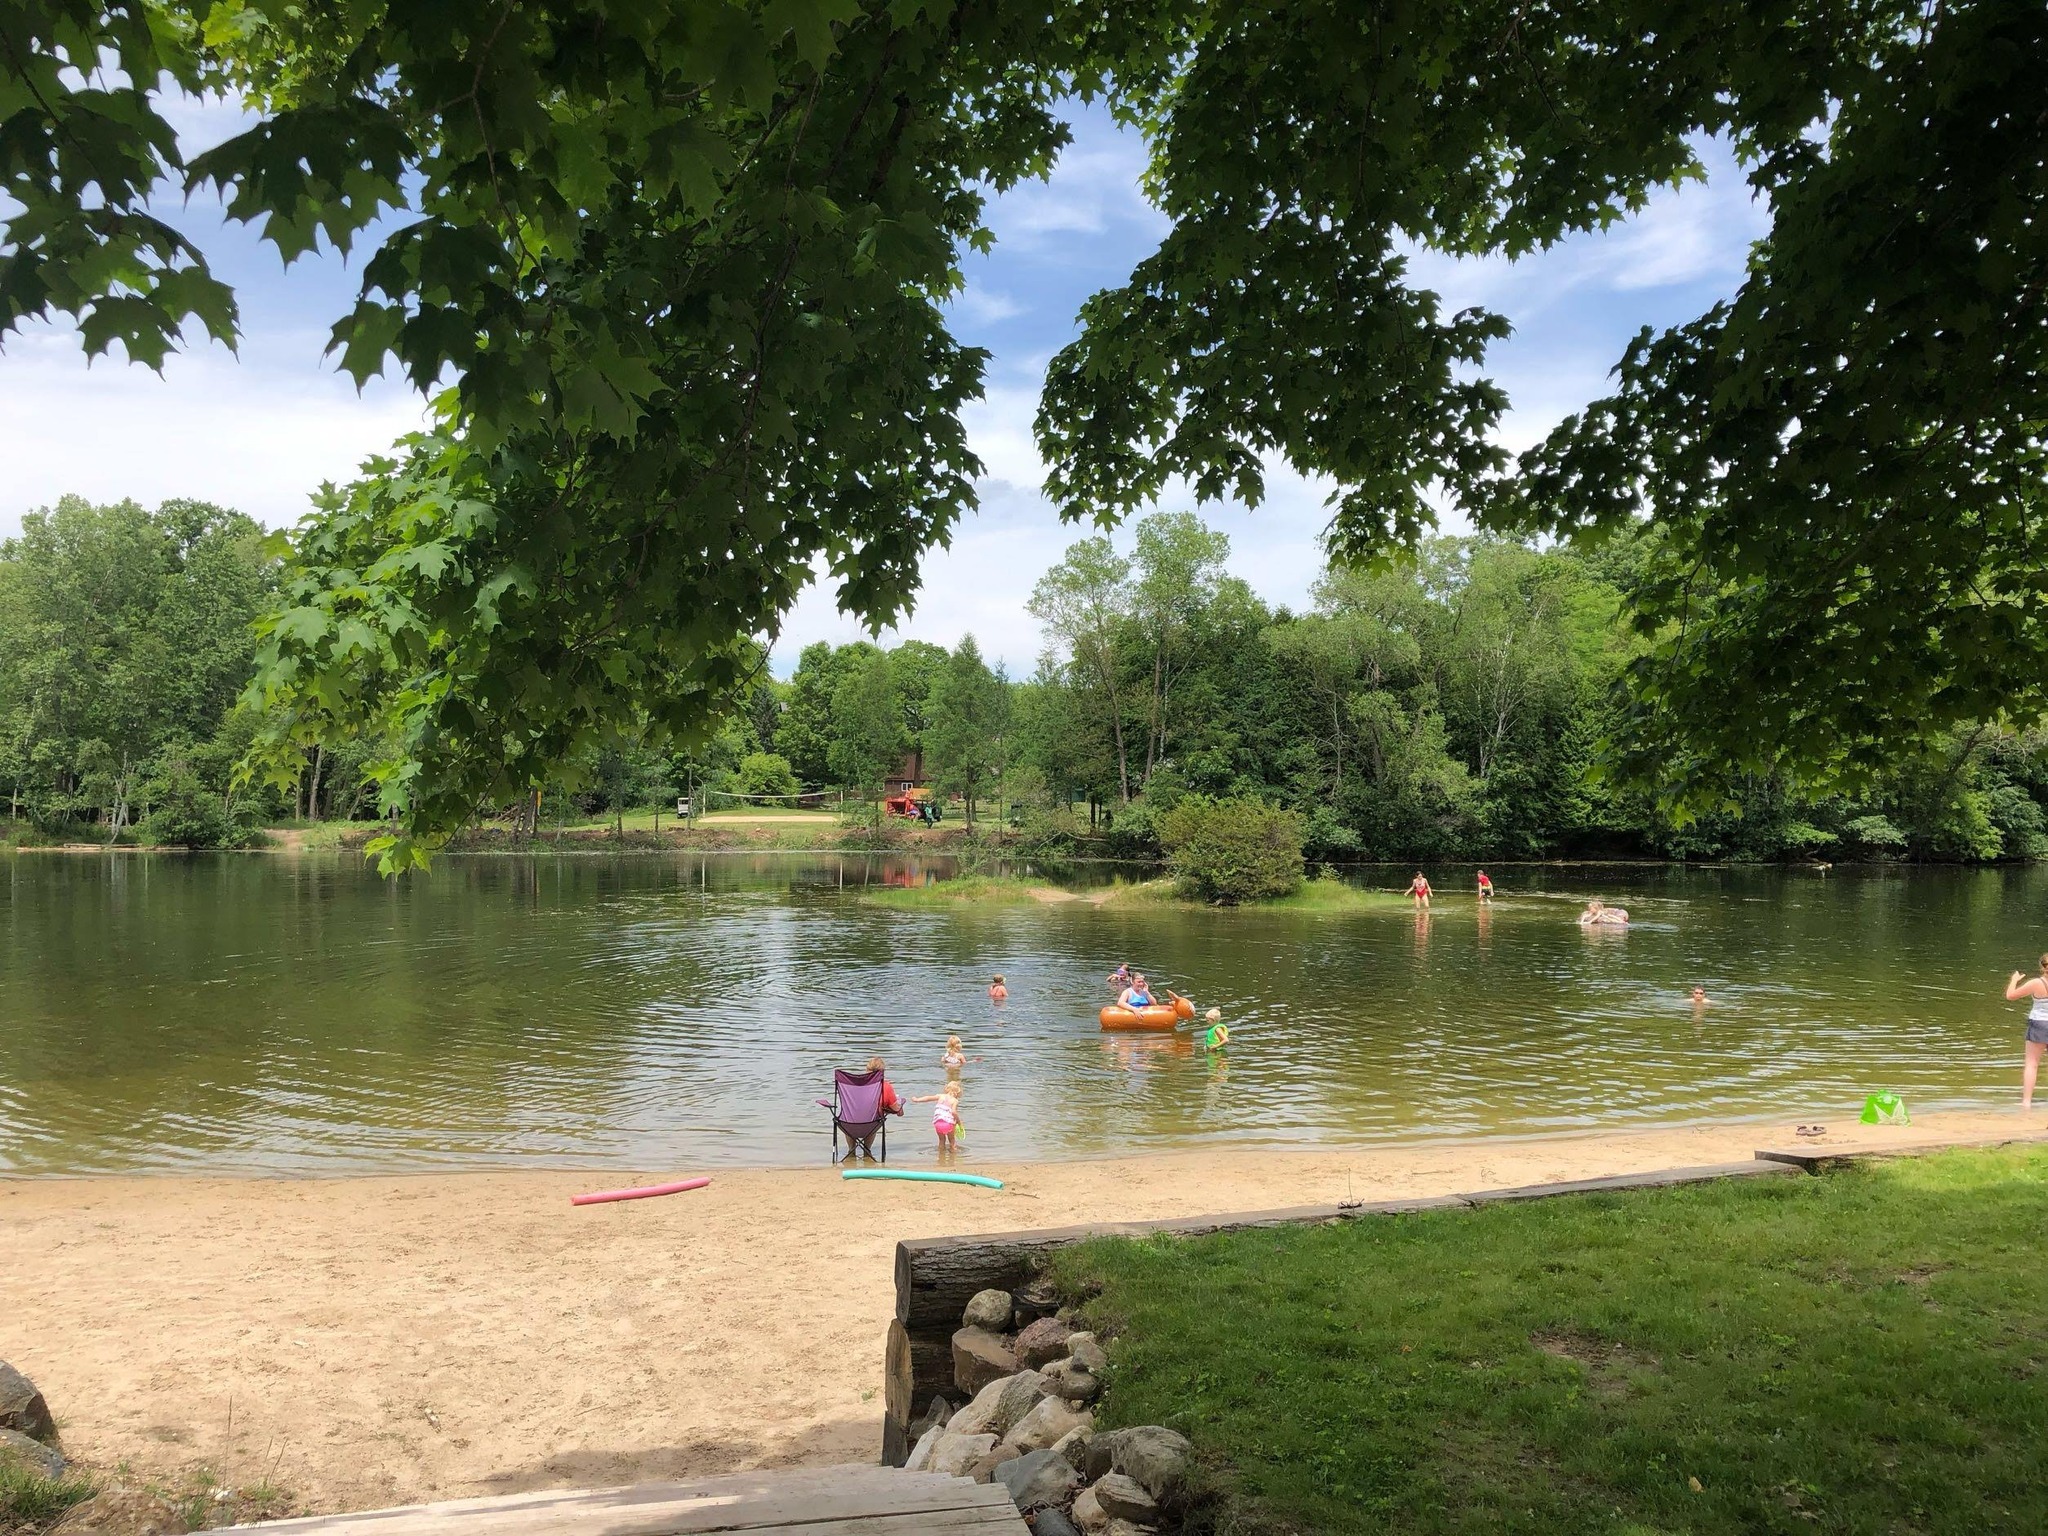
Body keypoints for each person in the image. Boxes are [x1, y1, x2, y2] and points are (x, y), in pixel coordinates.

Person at [2003, 956, 2048, 1110]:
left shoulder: (2037, 983)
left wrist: (2014, 980)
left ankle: (2026, 1103)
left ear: (2042, 967)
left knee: (2032, 1064)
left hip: (2039, 1025)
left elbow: (2010, 996)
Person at [911, 1083, 963, 1151]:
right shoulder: (954, 1100)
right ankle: (953, 1157)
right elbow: (953, 1112)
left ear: (946, 1089)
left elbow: (928, 1098)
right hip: (948, 1124)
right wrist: (959, 1122)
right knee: (952, 1141)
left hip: (938, 1123)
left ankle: (941, 1156)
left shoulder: (940, 1096)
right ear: (957, 1093)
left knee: (941, 1140)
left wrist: (917, 1099)